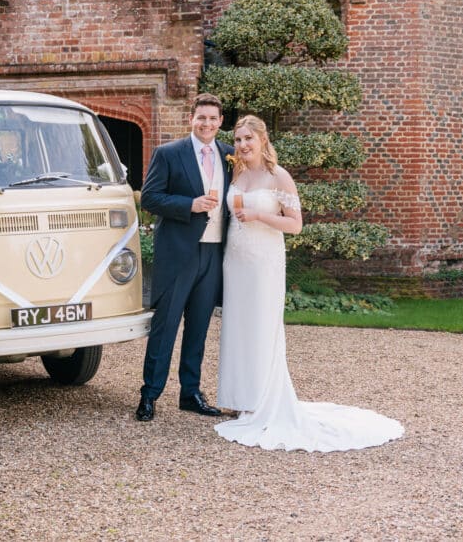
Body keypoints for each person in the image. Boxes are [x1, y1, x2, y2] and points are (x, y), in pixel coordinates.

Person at [214, 115, 404, 451]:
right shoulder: (237, 174)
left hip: (264, 261)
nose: (242, 145)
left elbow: (295, 225)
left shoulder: (279, 176)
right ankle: (238, 397)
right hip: (236, 260)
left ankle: (261, 400)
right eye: (239, 139)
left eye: (248, 139)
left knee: (262, 326)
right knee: (237, 325)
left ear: (262, 139)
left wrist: (259, 215)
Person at [136, 93, 234, 421]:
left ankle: (190, 393)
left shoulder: (230, 155)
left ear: (221, 122)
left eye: (213, 118)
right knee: (165, 328)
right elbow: (150, 198)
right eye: (201, 117)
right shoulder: (169, 153)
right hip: (179, 254)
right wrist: (189, 205)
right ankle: (149, 395)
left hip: (214, 252)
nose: (207, 123)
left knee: (198, 329)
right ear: (191, 118)